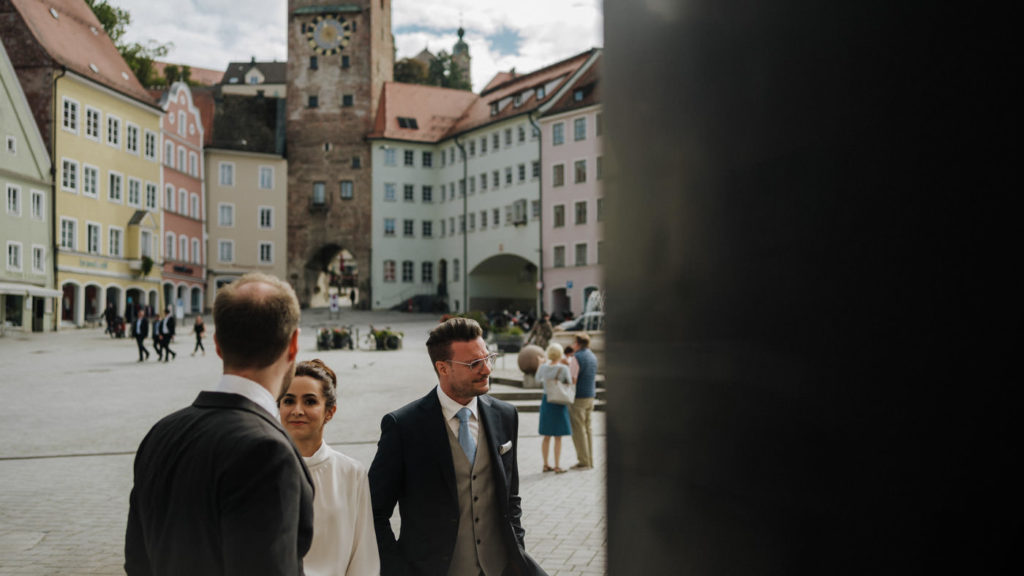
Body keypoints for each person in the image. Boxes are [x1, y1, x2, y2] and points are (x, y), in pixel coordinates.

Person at [125, 273, 314, 575]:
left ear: (217, 344)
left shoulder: (161, 433)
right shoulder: (267, 452)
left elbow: (137, 561)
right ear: (293, 345)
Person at [368, 317, 547, 576]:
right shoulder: (404, 426)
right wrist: (398, 569)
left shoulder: (506, 416)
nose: (486, 370)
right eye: (474, 363)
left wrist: (515, 548)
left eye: (488, 358)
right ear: (443, 368)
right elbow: (373, 512)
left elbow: (511, 497)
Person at [279, 359, 380, 576]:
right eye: (288, 401)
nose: (297, 410)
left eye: (309, 401)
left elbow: (364, 555)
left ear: (330, 411)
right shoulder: (259, 471)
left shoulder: (352, 473)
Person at [536, 343, 573, 474]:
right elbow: (569, 382)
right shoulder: (563, 368)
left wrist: (541, 363)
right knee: (558, 437)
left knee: (546, 436)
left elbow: (537, 379)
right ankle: (557, 465)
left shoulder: (543, 367)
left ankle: (545, 464)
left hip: (547, 401)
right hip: (559, 402)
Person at [569, 333, 597, 470]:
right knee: (588, 429)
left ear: (578, 343)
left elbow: (572, 379)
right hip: (590, 395)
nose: (573, 344)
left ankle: (583, 461)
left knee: (578, 430)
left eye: (574, 342)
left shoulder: (577, 357)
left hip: (578, 397)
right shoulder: (592, 355)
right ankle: (590, 460)